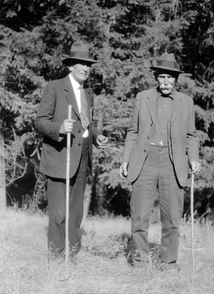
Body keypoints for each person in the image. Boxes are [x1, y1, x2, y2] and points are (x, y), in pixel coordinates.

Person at [119, 52, 201, 269]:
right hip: (144, 161)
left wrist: (194, 158)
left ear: (176, 79)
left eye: (170, 78)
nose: (166, 82)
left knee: (172, 217)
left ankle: (168, 261)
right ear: (156, 77)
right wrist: (125, 159)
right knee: (139, 216)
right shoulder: (142, 97)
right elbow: (132, 131)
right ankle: (139, 260)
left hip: (173, 162)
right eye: (162, 77)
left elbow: (192, 135)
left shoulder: (186, 102)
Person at [35, 42, 108, 260]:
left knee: (76, 211)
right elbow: (39, 121)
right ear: (70, 66)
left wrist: (96, 137)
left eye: (88, 65)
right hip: (61, 154)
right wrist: (58, 128)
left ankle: (72, 253)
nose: (85, 68)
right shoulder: (55, 87)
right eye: (81, 64)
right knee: (58, 211)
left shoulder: (88, 92)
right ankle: (56, 256)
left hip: (83, 155)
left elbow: (87, 122)